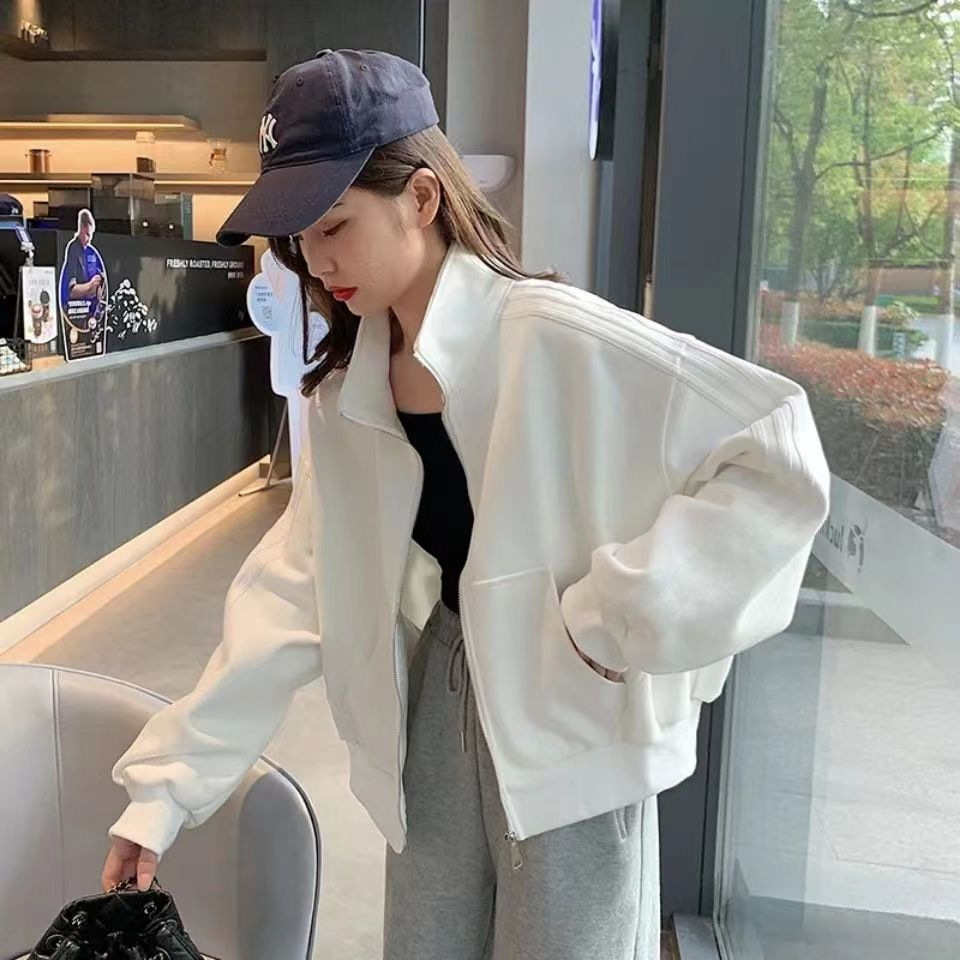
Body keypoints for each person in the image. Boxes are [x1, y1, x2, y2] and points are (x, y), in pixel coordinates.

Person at [101, 50, 830, 959]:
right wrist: (164, 793)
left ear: (422, 197)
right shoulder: (353, 392)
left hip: (572, 717)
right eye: (300, 240)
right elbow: (292, 593)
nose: (318, 263)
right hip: (439, 704)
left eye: (335, 226)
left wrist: (617, 618)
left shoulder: (555, 339)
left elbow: (776, 448)